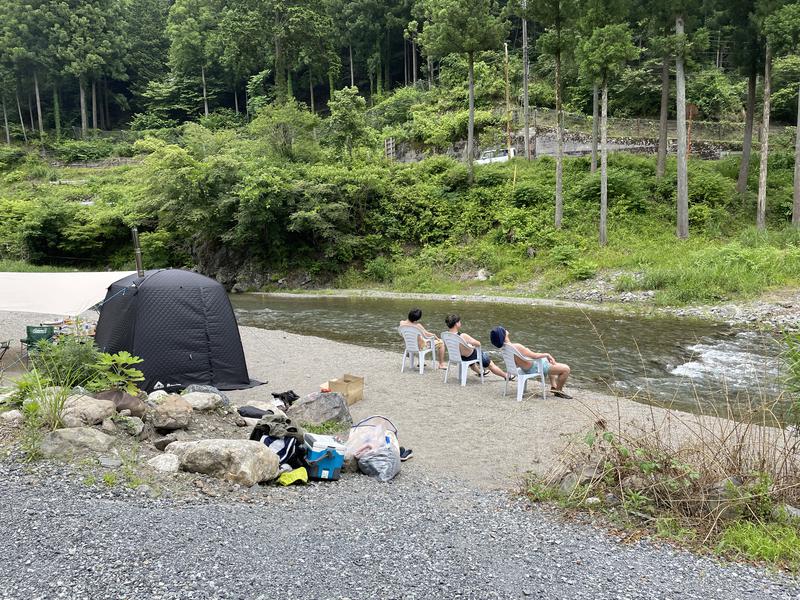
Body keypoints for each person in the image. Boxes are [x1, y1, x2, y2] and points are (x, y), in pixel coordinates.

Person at [489, 326, 572, 399]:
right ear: (503, 334)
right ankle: (559, 391)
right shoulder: (516, 346)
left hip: (525, 368)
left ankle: (554, 386)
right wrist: (547, 354)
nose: (505, 329)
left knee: (550, 362)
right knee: (566, 369)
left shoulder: (505, 349)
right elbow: (535, 356)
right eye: (504, 330)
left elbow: (516, 363)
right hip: (535, 368)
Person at [445, 314, 510, 379]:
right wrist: (471, 345)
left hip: (459, 357)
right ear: (456, 324)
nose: (460, 323)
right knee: (490, 364)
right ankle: (505, 376)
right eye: (459, 321)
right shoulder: (463, 336)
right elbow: (478, 343)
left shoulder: (446, 335)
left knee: (472, 364)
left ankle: (480, 372)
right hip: (471, 356)